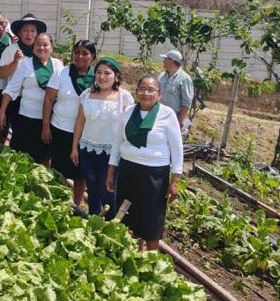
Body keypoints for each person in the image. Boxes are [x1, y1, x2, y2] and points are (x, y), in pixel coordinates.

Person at [107, 75, 184, 251]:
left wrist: (175, 181)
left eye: (151, 90)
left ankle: (151, 259)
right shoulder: (127, 112)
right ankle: (132, 252)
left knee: (151, 219)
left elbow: (177, 149)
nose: (145, 93)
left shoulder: (167, 114)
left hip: (154, 176)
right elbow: (118, 143)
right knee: (127, 214)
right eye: (142, 89)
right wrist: (111, 171)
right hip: (128, 171)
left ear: (159, 94)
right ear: (136, 92)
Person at [70, 57, 134, 217]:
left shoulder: (124, 97)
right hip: (88, 149)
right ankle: (94, 224)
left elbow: (129, 127)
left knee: (108, 191)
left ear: (116, 76)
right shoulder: (87, 94)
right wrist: (74, 147)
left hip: (112, 154)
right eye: (99, 72)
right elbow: (79, 122)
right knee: (92, 189)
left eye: (107, 73)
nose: (102, 77)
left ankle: (111, 226)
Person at [42, 40, 97, 206]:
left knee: (80, 173)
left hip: (85, 134)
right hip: (60, 129)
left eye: (85, 53)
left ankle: (76, 204)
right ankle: (56, 201)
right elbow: (49, 99)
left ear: (92, 57)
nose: (80, 56)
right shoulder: (62, 73)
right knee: (58, 169)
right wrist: (45, 126)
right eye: (77, 52)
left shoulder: (97, 78)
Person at [0, 33, 64, 164]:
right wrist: (2, 112)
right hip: (26, 119)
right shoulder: (25, 64)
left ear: (51, 47)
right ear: (33, 47)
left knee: (44, 157)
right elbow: (11, 90)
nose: (41, 47)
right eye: (38, 44)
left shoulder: (58, 65)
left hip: (48, 119)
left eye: (45, 44)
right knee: (20, 157)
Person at [0, 14, 45, 146]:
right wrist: (15, 62)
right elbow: (1, 74)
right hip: (12, 98)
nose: (29, 34)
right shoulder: (11, 49)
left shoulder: (41, 52)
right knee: (9, 133)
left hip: (32, 102)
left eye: (32, 31)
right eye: (25, 30)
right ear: (19, 32)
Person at [157, 50, 194, 133]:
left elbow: (186, 102)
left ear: (171, 61)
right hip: (158, 115)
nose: (163, 61)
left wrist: (179, 120)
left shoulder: (184, 78)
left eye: (165, 59)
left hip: (173, 117)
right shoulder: (161, 76)